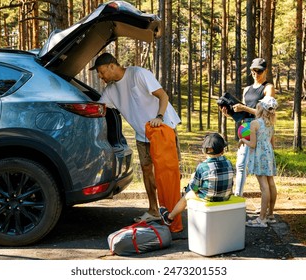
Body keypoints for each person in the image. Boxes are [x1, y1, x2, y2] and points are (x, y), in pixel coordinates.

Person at [89, 52, 181, 224]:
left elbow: (163, 96)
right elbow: (98, 108)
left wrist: (159, 117)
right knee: (147, 171)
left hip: (163, 128)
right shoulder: (110, 91)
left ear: (112, 65)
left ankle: (173, 213)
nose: (100, 76)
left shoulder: (138, 74)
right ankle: (154, 209)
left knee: (168, 173)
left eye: (101, 72)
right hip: (142, 134)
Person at [221, 58, 276, 197]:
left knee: (263, 173)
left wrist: (244, 107)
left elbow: (267, 112)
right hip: (246, 127)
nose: (256, 74)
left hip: (260, 128)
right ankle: (237, 197)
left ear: (265, 71)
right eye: (253, 70)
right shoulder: (247, 90)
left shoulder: (268, 88)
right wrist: (230, 114)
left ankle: (267, 210)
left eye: (259, 71)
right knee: (240, 165)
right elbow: (243, 113)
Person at [159, 133, 234, 225]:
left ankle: (169, 217)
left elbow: (194, 188)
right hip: (226, 197)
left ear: (204, 151)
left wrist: (191, 181)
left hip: (209, 199)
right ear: (222, 151)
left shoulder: (202, 167)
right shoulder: (229, 163)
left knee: (187, 195)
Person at [239, 96, 278, 228]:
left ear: (261, 108)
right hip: (268, 155)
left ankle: (261, 219)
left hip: (259, 156)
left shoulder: (254, 124)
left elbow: (253, 144)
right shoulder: (271, 124)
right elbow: (272, 144)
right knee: (271, 183)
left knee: (264, 187)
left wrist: (242, 140)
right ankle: (271, 215)